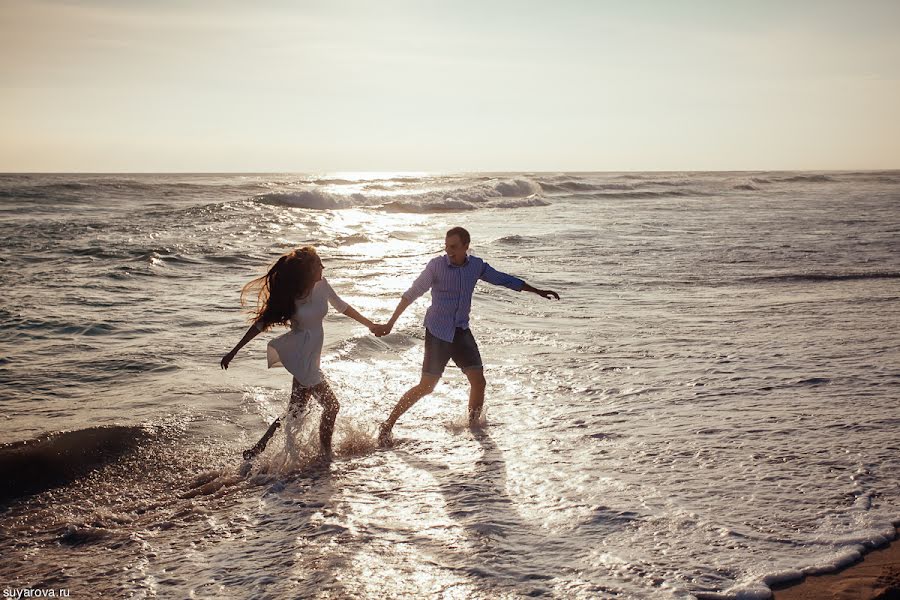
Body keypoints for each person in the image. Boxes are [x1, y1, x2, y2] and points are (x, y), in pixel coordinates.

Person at [373, 227, 559, 445]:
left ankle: (474, 430)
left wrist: (537, 291)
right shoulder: (436, 266)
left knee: (478, 381)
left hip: (461, 331)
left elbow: (503, 279)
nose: (449, 251)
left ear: (465, 246)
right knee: (426, 386)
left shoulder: (476, 266)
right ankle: (387, 425)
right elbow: (412, 293)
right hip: (438, 332)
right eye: (446, 246)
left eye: (453, 247)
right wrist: (390, 323)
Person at [221, 247, 379, 460]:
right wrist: (234, 351)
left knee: (294, 411)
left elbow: (343, 307)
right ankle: (326, 456)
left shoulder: (323, 285)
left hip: (312, 357)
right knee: (332, 406)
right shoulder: (290, 296)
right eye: (318, 264)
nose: (323, 267)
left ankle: (258, 449)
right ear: (308, 269)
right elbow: (260, 325)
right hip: (301, 355)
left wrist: (370, 324)